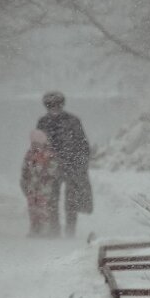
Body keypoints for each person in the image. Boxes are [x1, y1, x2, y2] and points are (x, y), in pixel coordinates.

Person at [36, 91, 93, 236]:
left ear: (62, 104)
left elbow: (83, 144)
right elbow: (38, 145)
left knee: (71, 200)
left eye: (56, 104)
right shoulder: (43, 122)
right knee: (51, 199)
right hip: (51, 167)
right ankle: (54, 229)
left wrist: (80, 164)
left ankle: (70, 230)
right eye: (50, 105)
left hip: (71, 166)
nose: (54, 107)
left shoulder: (73, 121)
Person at [20, 129, 60, 236]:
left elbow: (53, 168)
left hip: (44, 187)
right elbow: (25, 168)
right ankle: (34, 228)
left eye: (37, 143)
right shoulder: (29, 154)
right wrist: (25, 179)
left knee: (43, 208)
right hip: (32, 186)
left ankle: (44, 229)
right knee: (32, 208)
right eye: (33, 143)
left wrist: (45, 174)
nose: (35, 146)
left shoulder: (49, 154)